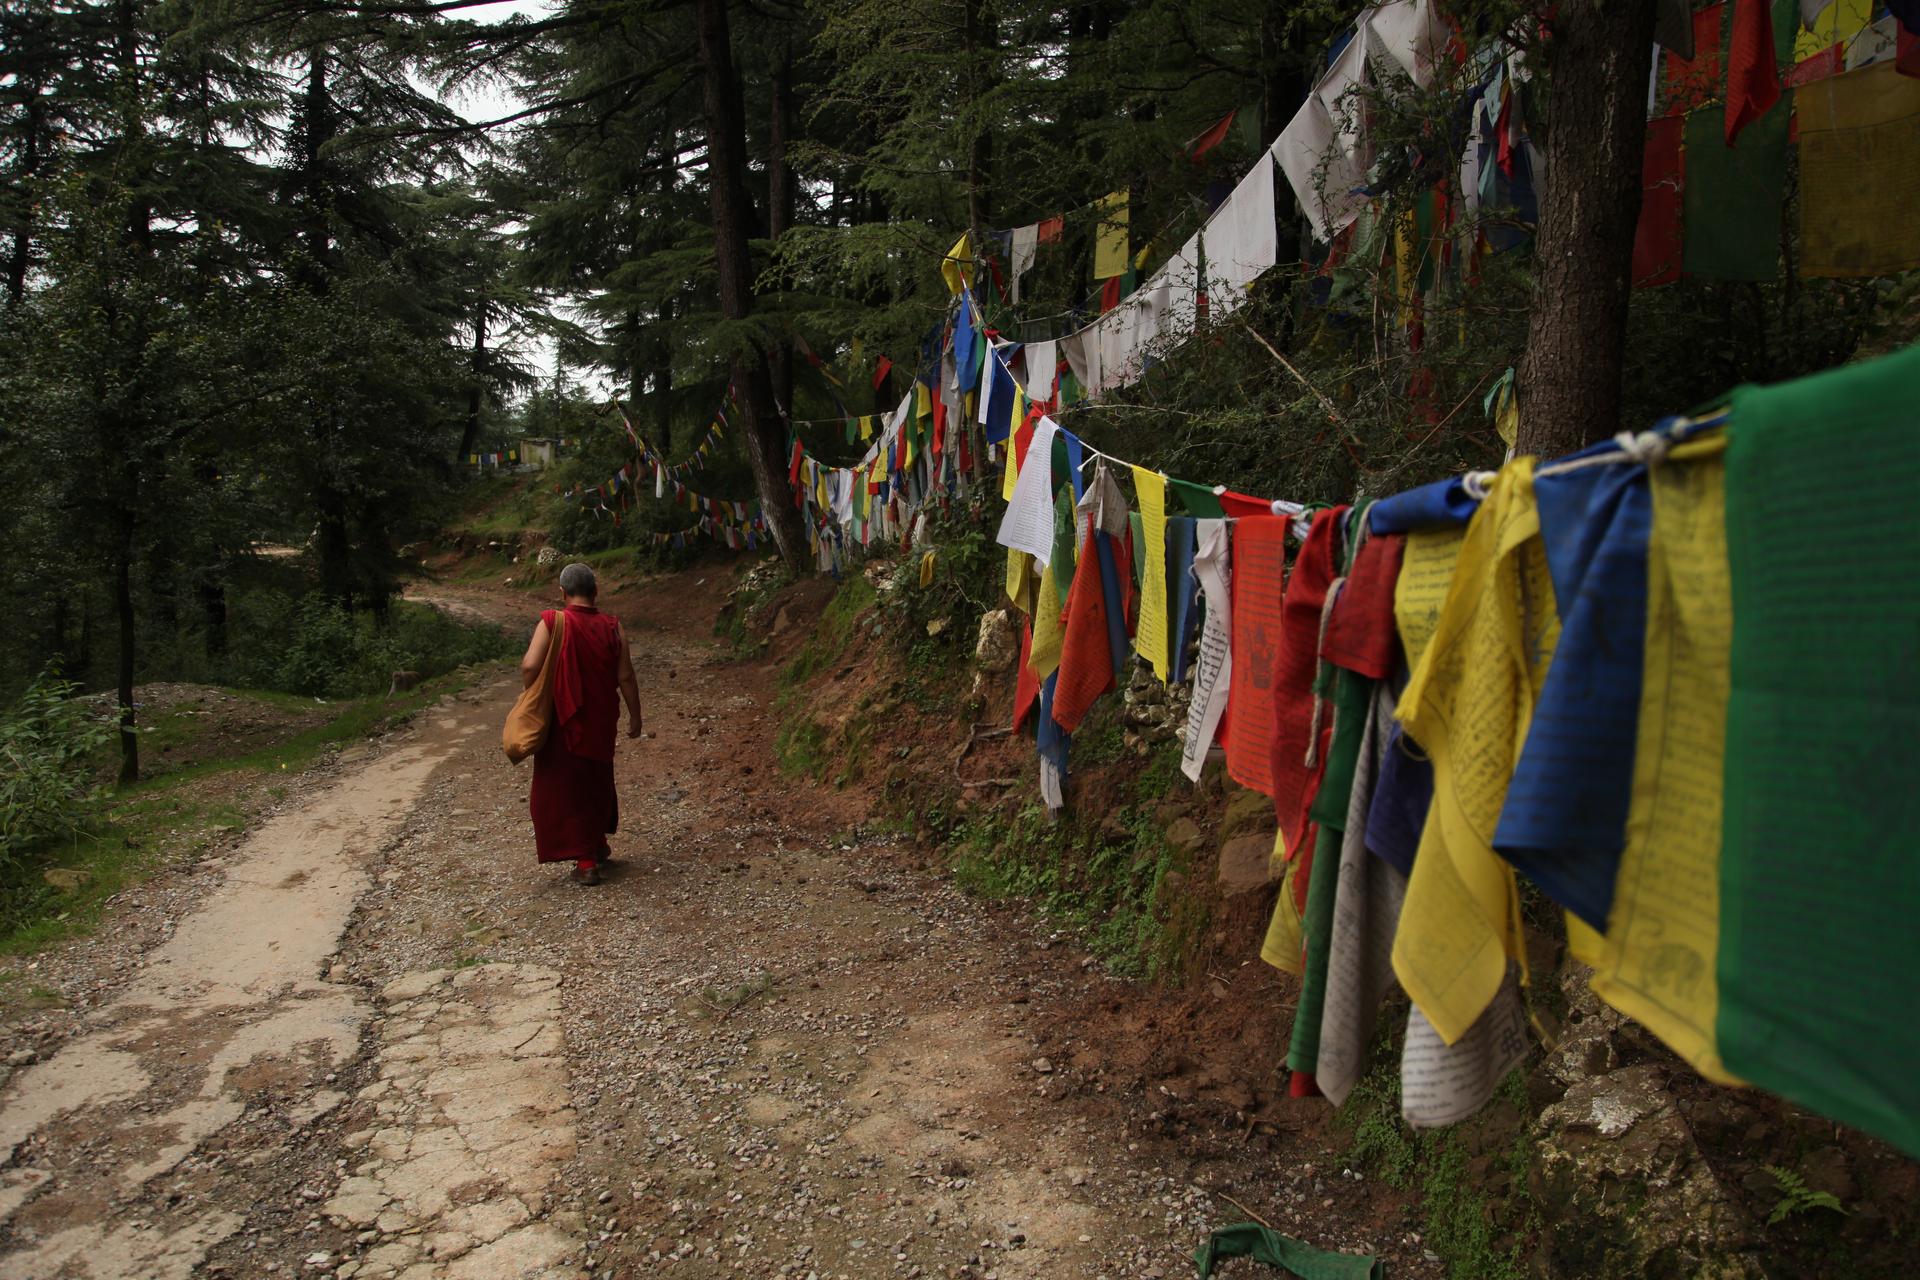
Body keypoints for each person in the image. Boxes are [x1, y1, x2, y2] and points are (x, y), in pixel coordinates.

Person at [520, 562, 642, 885]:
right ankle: (598, 844)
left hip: (564, 719)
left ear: (562, 593)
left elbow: (530, 666)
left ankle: (586, 861)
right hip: (601, 719)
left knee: (566, 788)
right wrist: (636, 715)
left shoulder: (552, 621)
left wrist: (541, 692)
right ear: (595, 591)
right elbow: (626, 676)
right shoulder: (614, 626)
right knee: (597, 780)